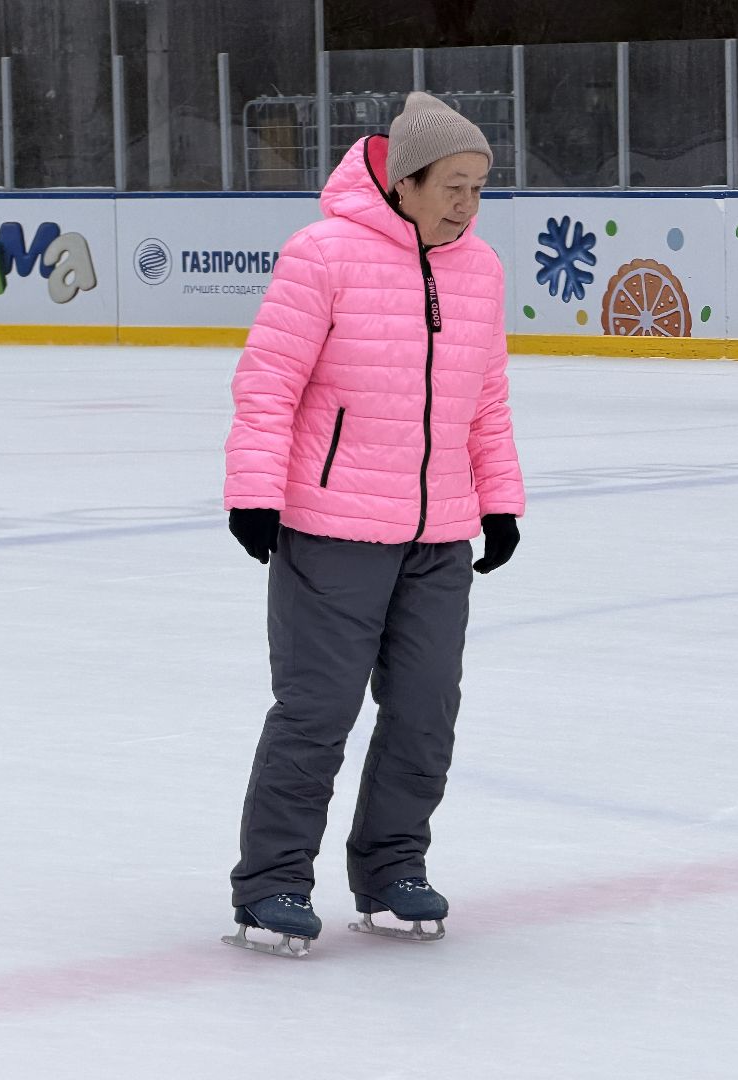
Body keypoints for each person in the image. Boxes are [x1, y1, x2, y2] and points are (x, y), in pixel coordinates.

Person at [220, 92, 526, 957]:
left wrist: (499, 500)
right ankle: (272, 883)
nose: (467, 203)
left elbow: (486, 400)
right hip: (332, 526)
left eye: (478, 187)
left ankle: (394, 869)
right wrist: (255, 491)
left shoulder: (480, 269)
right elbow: (269, 382)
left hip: (439, 533)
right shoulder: (323, 254)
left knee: (426, 710)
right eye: (453, 186)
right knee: (317, 712)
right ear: (405, 181)